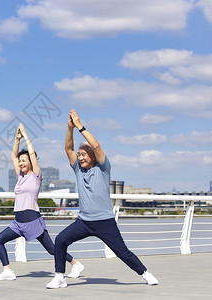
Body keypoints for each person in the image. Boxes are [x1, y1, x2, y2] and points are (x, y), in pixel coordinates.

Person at [46, 109, 159, 289]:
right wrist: (69, 128)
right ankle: (60, 276)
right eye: (80, 154)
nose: (80, 156)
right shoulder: (78, 169)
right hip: (84, 222)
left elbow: (97, 146)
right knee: (60, 240)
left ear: (93, 156)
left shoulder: (103, 168)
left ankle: (145, 273)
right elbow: (68, 148)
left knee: (122, 252)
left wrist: (79, 126)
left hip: (105, 222)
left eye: (84, 154)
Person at [0, 123, 84, 281]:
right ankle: (7, 270)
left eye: (24, 161)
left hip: (32, 219)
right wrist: (16, 139)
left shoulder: (35, 176)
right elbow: (13, 156)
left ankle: (75, 263)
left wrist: (26, 136)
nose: (21, 163)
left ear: (30, 162)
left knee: (51, 249)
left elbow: (32, 154)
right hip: (18, 221)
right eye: (20, 161)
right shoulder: (20, 176)